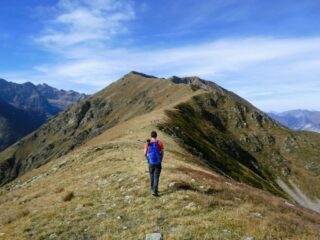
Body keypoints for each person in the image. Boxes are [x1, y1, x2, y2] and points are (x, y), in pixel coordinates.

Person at [144, 130, 164, 196]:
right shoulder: (159, 143)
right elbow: (162, 152)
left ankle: (152, 189)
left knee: (151, 176)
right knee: (156, 177)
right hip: (158, 163)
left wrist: (148, 160)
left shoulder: (148, 143)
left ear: (151, 136)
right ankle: (155, 191)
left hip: (151, 163)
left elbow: (145, 153)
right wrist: (161, 159)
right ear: (156, 136)